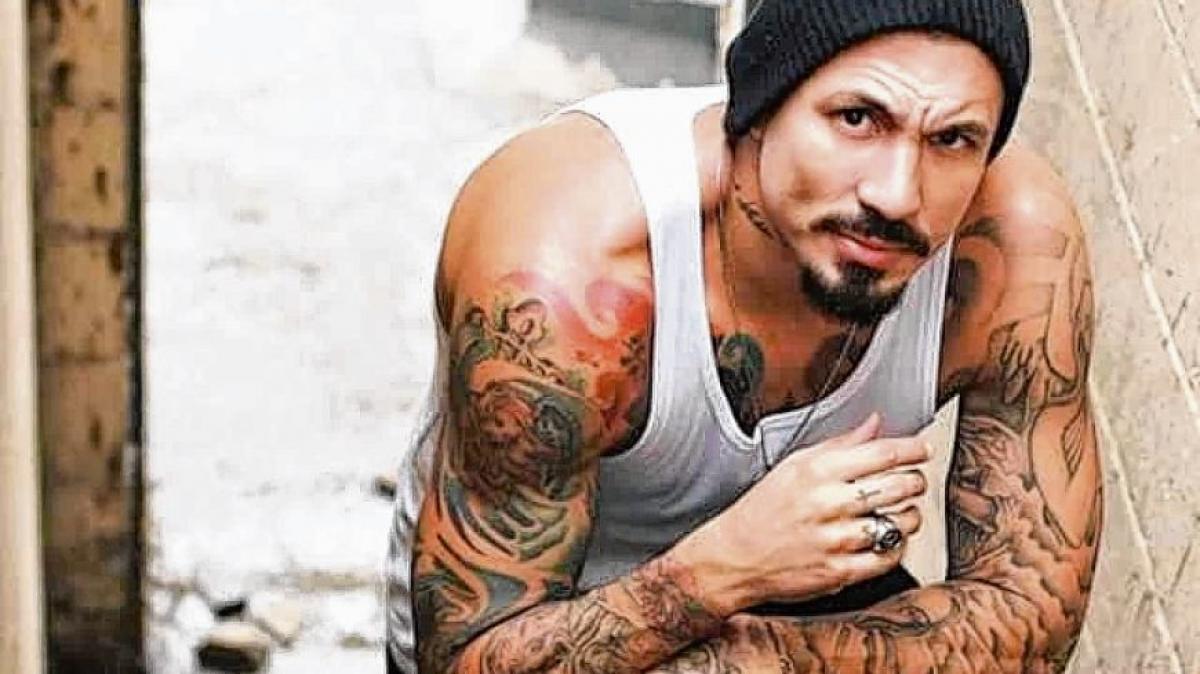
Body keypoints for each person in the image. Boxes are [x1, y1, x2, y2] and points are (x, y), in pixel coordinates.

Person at [385, 0, 1102, 671]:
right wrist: (722, 570)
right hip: (551, 619)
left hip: (805, 607)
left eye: (952, 140)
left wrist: (755, 652)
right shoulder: (567, 277)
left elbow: (1033, 621)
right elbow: (474, 657)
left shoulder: (1014, 250)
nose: (896, 194)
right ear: (758, 110)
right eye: (856, 119)